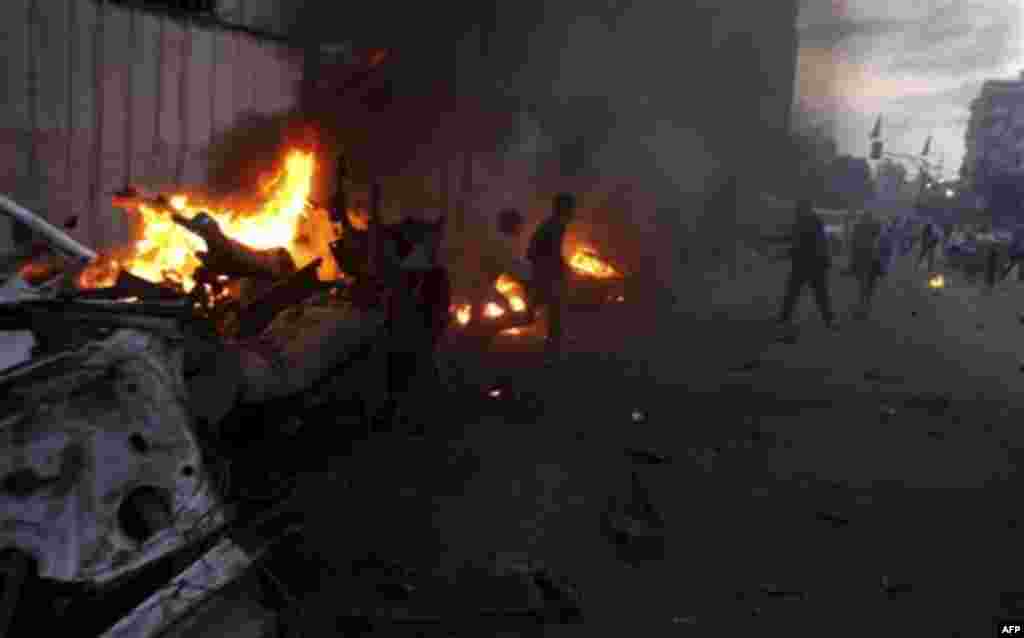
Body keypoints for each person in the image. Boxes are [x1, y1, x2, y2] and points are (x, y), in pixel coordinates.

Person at [770, 199, 837, 329]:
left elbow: (799, 243)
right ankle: (829, 320)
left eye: (798, 209)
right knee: (819, 295)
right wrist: (773, 240)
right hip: (813, 264)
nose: (796, 211)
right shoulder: (813, 221)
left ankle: (783, 319)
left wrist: (781, 254)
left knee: (794, 293)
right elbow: (795, 239)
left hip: (807, 264)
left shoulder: (805, 222)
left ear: (803, 209)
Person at [527, 193, 576, 363]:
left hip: (543, 268)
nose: (573, 212)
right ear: (564, 209)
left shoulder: (553, 224)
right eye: (571, 208)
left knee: (549, 303)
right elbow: (547, 251)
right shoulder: (555, 225)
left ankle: (552, 342)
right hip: (543, 269)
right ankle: (553, 346)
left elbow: (546, 250)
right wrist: (560, 267)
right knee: (553, 304)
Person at [850, 210, 883, 319]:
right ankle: (864, 309)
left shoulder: (859, 227)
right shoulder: (872, 227)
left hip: (864, 259)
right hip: (869, 259)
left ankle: (862, 309)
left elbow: (853, 244)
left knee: (864, 286)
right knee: (867, 286)